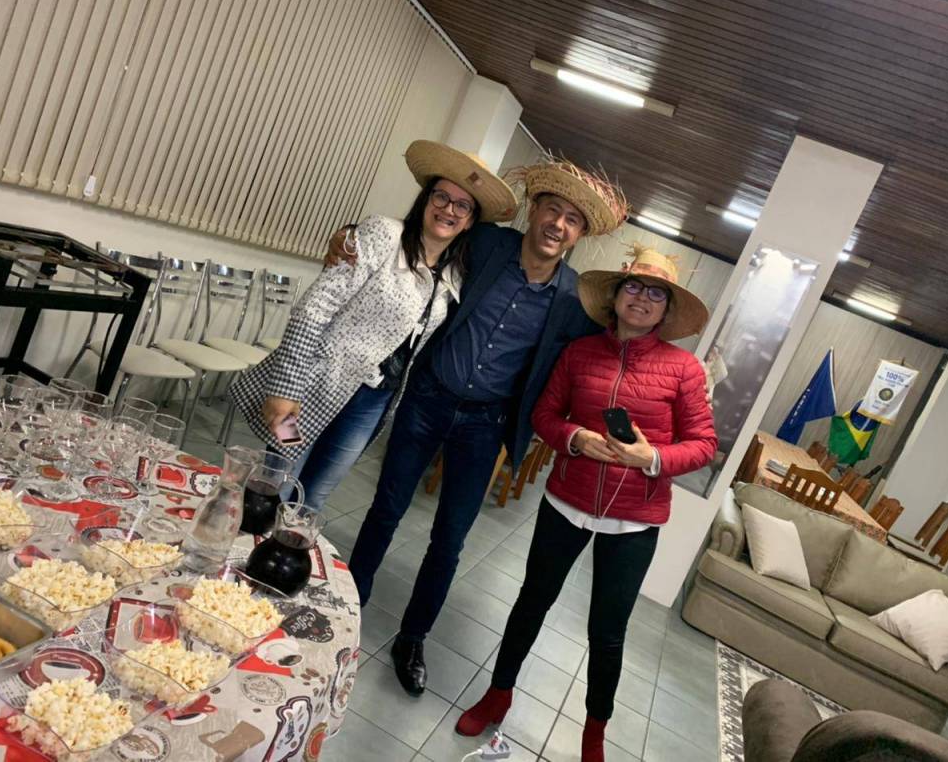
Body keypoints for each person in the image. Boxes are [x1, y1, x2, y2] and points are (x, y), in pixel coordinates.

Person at [329, 157, 628, 695]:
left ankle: (413, 638)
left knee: (449, 540)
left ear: (580, 235)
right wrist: (350, 237)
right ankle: (348, 606)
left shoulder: (576, 300)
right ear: (533, 211)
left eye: (572, 220)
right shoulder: (485, 244)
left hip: (485, 427)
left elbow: (607, 349)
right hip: (427, 400)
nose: (558, 225)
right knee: (386, 510)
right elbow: (423, 238)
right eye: (552, 210)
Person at [456, 244, 717, 762]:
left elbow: (704, 445)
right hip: (566, 501)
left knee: (607, 632)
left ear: (667, 309)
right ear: (616, 295)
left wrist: (650, 457)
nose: (642, 298)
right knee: (532, 601)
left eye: (656, 293)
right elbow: (545, 415)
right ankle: (498, 693)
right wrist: (575, 438)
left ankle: (594, 732)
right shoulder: (579, 353)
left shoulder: (684, 369)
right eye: (634, 286)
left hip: (634, 521)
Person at [228, 141, 517, 516]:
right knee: (276, 484)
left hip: (371, 404)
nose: (449, 209)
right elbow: (313, 310)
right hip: (312, 387)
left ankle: (285, 552)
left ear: (471, 220)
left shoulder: (454, 274)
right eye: (441, 196)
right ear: (426, 199)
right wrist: (285, 390)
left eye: (462, 205)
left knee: (315, 496)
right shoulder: (383, 234)